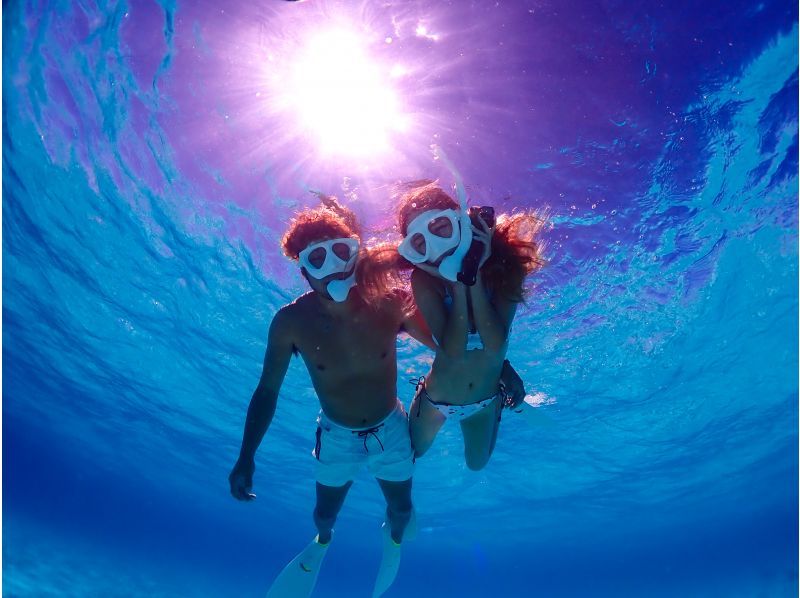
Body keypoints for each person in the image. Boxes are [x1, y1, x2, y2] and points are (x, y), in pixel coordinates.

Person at [228, 195, 434, 598]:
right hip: (336, 436)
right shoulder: (291, 322)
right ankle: (322, 544)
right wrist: (245, 455)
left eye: (343, 252)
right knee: (324, 516)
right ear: (304, 272)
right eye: (319, 260)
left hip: (391, 429)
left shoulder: (391, 302)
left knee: (403, 511)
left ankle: (392, 539)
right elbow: (267, 390)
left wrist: (499, 367)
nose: (335, 266)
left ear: (357, 255)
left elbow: (448, 346)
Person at [371, 181, 546, 470]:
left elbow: (495, 343)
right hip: (436, 397)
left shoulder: (506, 268)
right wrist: (457, 280)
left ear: (462, 221)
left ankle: (501, 399)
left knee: (476, 464)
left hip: (485, 400)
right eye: (419, 242)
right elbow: (452, 351)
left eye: (440, 226)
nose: (435, 245)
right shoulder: (424, 280)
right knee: (413, 454)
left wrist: (473, 274)